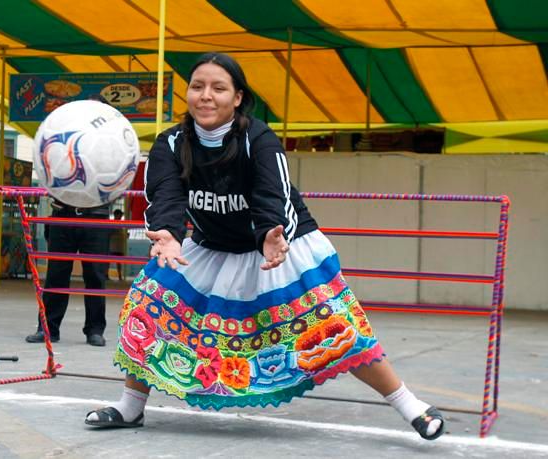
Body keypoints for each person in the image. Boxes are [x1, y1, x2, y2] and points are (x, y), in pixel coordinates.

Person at [85, 53, 444, 440]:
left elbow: (272, 196)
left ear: (237, 97)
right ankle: (131, 406)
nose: (206, 96)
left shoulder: (259, 139)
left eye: (218, 88)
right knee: (149, 307)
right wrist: (168, 234)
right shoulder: (170, 143)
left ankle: (410, 406)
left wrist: (270, 233)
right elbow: (165, 196)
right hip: (211, 248)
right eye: (198, 87)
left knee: (333, 329)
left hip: (279, 248)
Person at [25, 198, 110, 346]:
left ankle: (95, 330)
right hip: (62, 212)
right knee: (56, 274)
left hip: (96, 215)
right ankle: (48, 328)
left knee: (96, 275)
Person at [109, 209, 126, 281]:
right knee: (108, 261)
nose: (121, 216)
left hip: (118, 246)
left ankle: (119, 276)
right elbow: (111, 233)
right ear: (116, 215)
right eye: (120, 215)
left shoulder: (120, 224)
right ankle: (106, 275)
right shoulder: (112, 224)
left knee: (118, 262)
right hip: (113, 246)